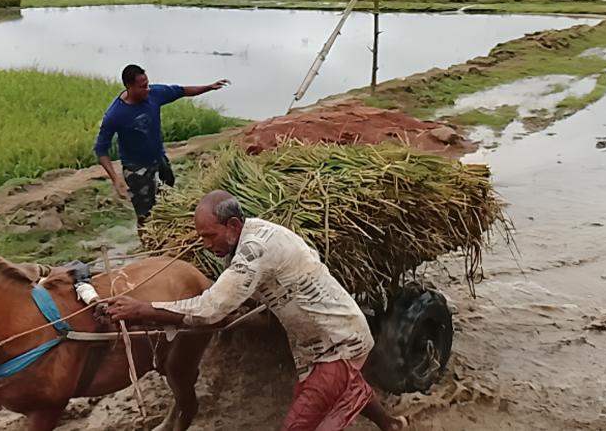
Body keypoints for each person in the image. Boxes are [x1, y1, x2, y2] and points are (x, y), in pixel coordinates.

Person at [106, 190, 408, 431]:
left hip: (337, 342)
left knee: (300, 422)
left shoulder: (253, 252)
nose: (205, 245)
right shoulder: (255, 235)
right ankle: (391, 424)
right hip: (318, 339)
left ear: (233, 226)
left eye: (209, 236)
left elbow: (210, 310)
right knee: (343, 386)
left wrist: (144, 308)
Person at [94, 64, 227, 225]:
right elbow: (101, 150)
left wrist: (209, 87)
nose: (147, 89)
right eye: (143, 87)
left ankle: (164, 221)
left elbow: (181, 91)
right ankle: (148, 242)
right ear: (129, 87)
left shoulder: (154, 94)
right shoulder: (115, 115)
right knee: (145, 214)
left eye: (148, 84)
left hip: (158, 156)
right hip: (136, 167)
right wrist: (116, 179)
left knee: (168, 184)